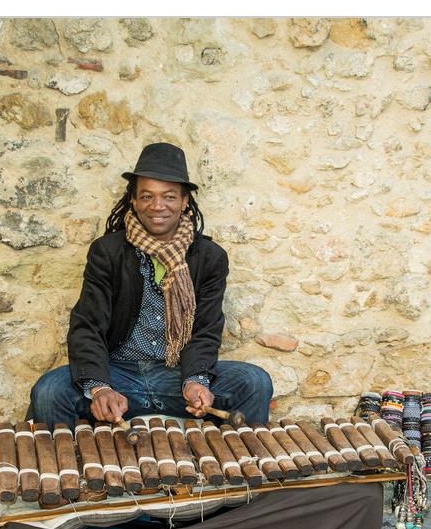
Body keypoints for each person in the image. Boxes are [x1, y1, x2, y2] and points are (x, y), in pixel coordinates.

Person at [28, 142, 273, 430]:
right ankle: (63, 473)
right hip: (117, 375)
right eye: (147, 196)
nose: (157, 206)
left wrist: (195, 381)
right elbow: (87, 326)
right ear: (133, 200)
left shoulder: (210, 258)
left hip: (175, 376)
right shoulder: (107, 252)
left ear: (184, 201)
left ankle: (242, 471)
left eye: (169, 196)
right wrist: (100, 388)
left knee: (255, 382)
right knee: (48, 391)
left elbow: (206, 331)